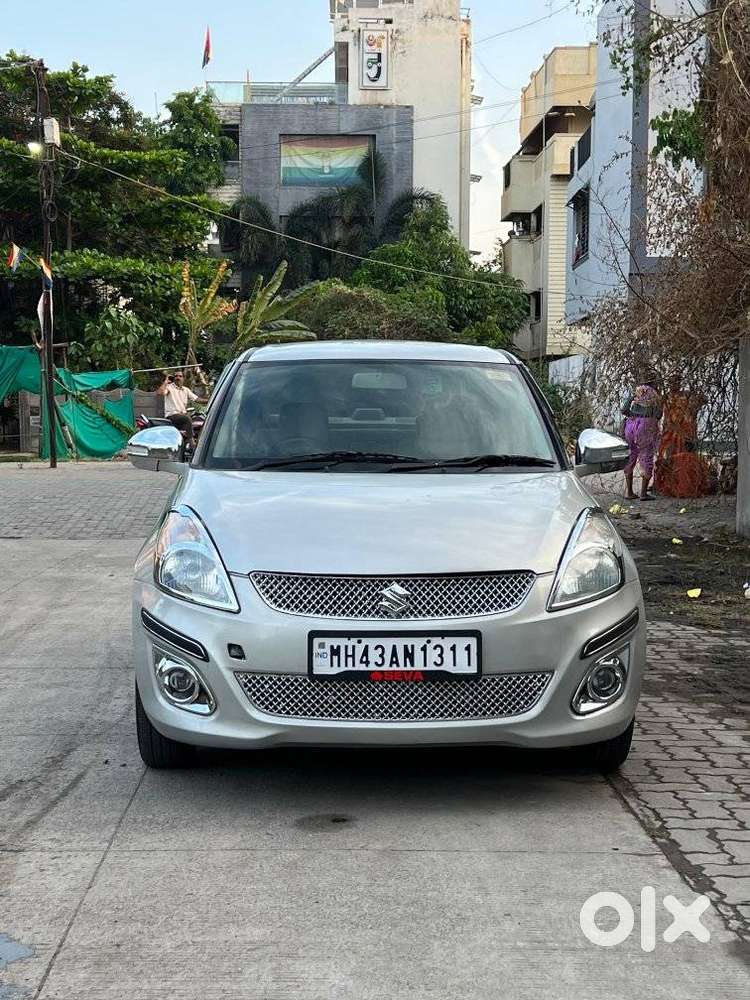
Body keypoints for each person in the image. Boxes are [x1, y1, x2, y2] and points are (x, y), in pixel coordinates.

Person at [654, 378, 711, 498]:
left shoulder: (686, 395)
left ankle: (686, 484)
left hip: (685, 433)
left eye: (676, 381)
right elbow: (657, 411)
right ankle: (666, 483)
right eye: (672, 382)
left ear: (680, 383)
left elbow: (704, 400)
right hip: (669, 433)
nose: (674, 384)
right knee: (666, 458)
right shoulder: (665, 397)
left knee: (686, 460)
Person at [621, 371, 663, 501]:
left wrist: (633, 415)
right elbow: (658, 414)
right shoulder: (655, 395)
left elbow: (624, 410)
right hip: (646, 426)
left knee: (631, 455)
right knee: (646, 455)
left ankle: (629, 492)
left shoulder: (636, 391)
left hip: (630, 425)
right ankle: (643, 493)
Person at [156, 370, 206, 444]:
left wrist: (212, 399)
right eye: (176, 376)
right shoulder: (169, 387)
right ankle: (193, 445)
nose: (178, 378)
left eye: (180, 376)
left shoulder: (186, 390)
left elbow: (197, 399)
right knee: (186, 419)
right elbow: (160, 393)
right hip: (172, 416)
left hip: (182, 417)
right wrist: (166, 382)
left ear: (183, 378)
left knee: (198, 422)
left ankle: (196, 442)